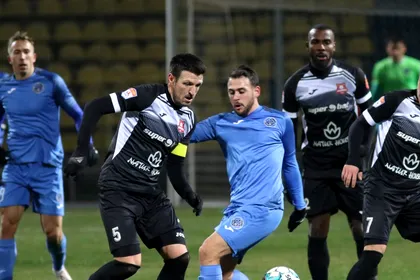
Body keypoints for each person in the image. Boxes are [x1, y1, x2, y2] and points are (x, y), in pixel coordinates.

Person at [63, 53, 205, 280]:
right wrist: (80, 151)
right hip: (119, 188)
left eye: (197, 85)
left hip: (150, 194)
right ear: (171, 79)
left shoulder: (188, 119)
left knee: (179, 257)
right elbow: (95, 107)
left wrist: (189, 194)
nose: (192, 91)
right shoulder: (146, 96)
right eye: (187, 83)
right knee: (128, 264)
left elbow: (175, 165)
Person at [342, 56, 420, 280]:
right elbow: (360, 124)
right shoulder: (397, 101)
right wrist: (353, 160)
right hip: (382, 189)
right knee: (373, 254)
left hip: (414, 194)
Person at [191, 65, 307, 280]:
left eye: (241, 91)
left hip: (263, 209)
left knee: (208, 251)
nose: (236, 97)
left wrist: (300, 205)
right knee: (225, 273)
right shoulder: (221, 123)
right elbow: (185, 135)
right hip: (237, 208)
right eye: (231, 92)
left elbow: (289, 163)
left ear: (256, 91)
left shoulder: (279, 122)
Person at [0, 31, 97, 280]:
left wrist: (87, 145)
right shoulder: (3, 87)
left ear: (34, 56)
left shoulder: (52, 82)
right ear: (9, 58)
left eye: (25, 52)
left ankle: (58, 267)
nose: (21, 56)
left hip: (48, 167)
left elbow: (78, 115)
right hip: (16, 166)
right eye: (16, 52)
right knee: (7, 224)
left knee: (52, 232)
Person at [282, 24, 375, 280]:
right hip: (316, 167)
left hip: (349, 165)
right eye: (315, 42)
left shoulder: (353, 75)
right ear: (308, 46)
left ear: (334, 45)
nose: (321, 47)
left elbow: (369, 118)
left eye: (326, 42)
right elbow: (288, 132)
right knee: (317, 228)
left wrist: (359, 156)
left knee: (361, 228)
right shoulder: (295, 84)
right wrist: (290, 174)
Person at [371, 36, 420, 211]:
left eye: (398, 47)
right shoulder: (381, 67)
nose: (395, 51)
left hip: (416, 117)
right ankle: (378, 190)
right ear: (388, 49)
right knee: (383, 154)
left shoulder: (415, 65)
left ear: (404, 48)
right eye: (392, 47)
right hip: (390, 117)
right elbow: (375, 93)